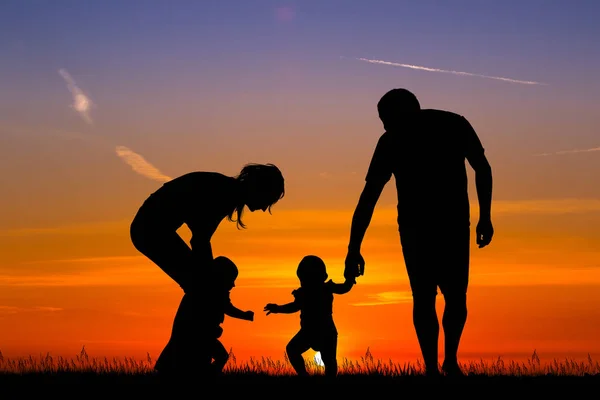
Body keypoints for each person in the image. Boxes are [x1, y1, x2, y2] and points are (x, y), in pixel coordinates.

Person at [343, 88, 493, 378]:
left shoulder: (452, 125)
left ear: (407, 111)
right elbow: (369, 195)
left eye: (387, 119)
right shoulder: (392, 141)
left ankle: (447, 362)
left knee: (452, 296)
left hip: (448, 224)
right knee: (429, 297)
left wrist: (485, 217)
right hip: (419, 227)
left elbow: (482, 167)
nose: (385, 126)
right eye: (382, 121)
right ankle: (433, 368)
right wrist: (353, 247)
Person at [129, 163, 285, 377]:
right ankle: (181, 362)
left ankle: (181, 360)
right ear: (258, 188)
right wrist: (210, 280)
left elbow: (200, 238)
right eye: (267, 199)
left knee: (199, 289)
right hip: (150, 230)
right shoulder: (223, 193)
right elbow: (200, 239)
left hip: (153, 228)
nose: (264, 207)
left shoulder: (225, 190)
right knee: (200, 290)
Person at [153, 256, 254, 377]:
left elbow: (225, 308)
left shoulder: (207, 291)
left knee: (206, 359)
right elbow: (227, 308)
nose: (233, 285)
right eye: (231, 280)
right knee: (219, 357)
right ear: (222, 277)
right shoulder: (210, 292)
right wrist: (244, 315)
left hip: (200, 337)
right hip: (197, 337)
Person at [264, 255, 355, 378]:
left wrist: (350, 277)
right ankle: (303, 375)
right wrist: (278, 308)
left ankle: (320, 378)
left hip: (325, 332)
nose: (304, 283)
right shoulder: (305, 292)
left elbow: (345, 288)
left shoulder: (326, 288)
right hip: (309, 332)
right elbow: (295, 306)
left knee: (328, 360)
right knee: (293, 350)